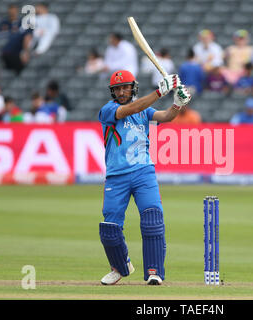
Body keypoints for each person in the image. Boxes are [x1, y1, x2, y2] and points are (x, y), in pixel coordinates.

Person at [98, 70, 191, 286]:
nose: (122, 92)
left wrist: (177, 104)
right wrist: (160, 91)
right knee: (110, 228)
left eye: (125, 87)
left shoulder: (144, 111)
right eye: (117, 89)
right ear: (112, 92)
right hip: (116, 176)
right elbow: (131, 108)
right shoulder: (108, 110)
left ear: (133, 87)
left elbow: (166, 116)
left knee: (152, 220)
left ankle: (154, 271)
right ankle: (120, 267)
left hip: (143, 172)